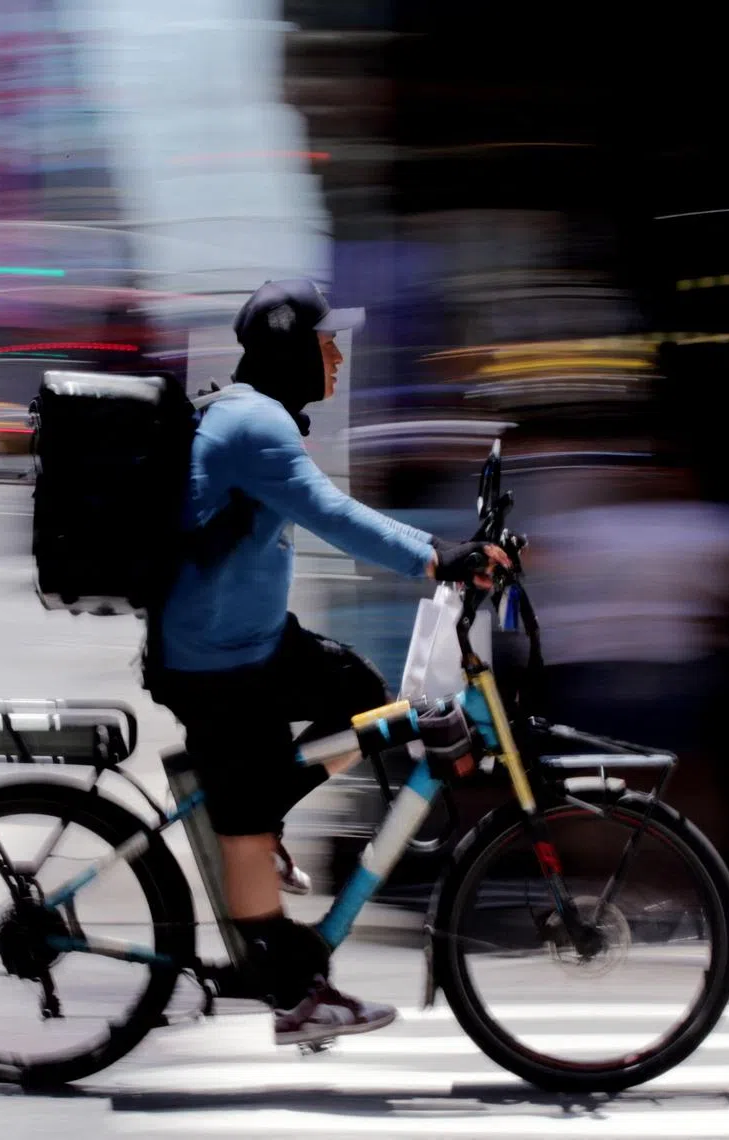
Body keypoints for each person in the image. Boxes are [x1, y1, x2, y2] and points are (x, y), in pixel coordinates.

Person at [145, 278, 509, 1046]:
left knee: (362, 698)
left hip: (252, 642)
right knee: (246, 807)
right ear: (290, 349)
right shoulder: (256, 425)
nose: (338, 356)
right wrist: (438, 557)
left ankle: (260, 815)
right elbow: (333, 516)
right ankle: (295, 997)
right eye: (326, 342)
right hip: (216, 659)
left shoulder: (258, 415)